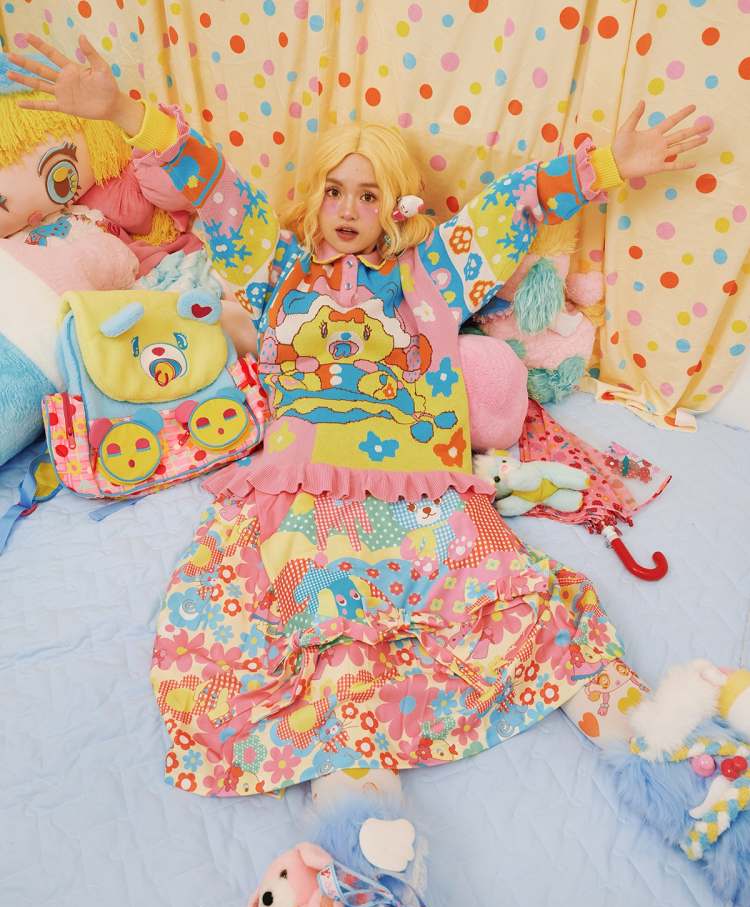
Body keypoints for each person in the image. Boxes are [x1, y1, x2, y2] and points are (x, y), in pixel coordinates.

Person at [8, 34, 710, 798]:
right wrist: (121, 111)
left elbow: (514, 207)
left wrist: (607, 165)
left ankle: (683, 769)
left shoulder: (428, 279)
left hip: (425, 496)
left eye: (369, 195)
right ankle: (362, 842)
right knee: (306, 659)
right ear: (314, 196)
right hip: (298, 502)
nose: (349, 209)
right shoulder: (275, 273)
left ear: (394, 206)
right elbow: (212, 186)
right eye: (336, 190)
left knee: (534, 616)